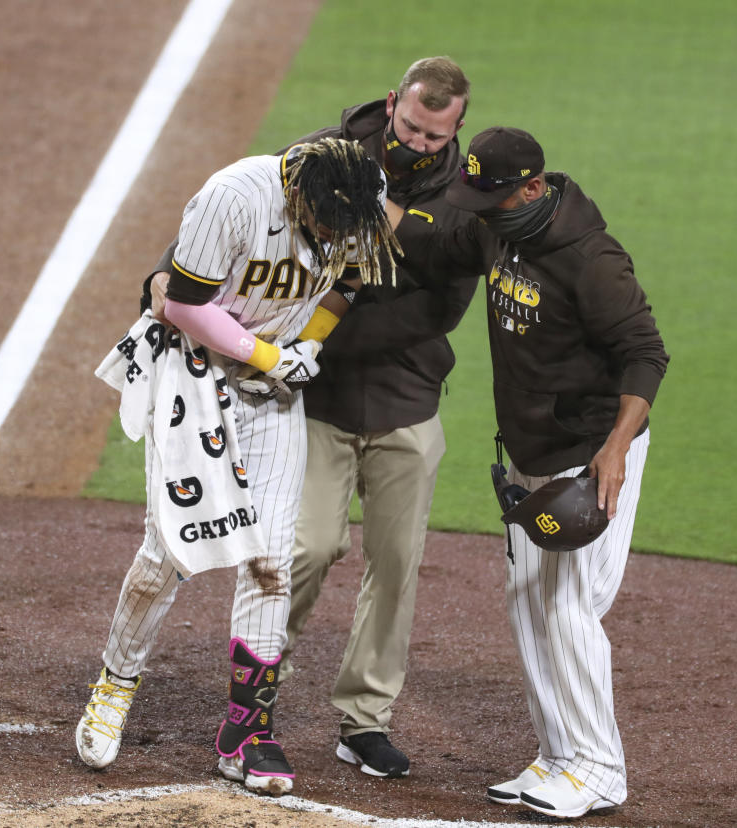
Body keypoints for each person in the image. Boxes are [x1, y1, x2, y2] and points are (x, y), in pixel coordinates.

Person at [76, 137, 398, 798]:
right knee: (165, 555)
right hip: (193, 379)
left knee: (270, 561)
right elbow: (181, 305)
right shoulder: (234, 197)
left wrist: (307, 345)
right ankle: (115, 681)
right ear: (304, 193)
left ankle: (245, 734)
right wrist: (267, 356)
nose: (336, 235)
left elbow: (348, 283)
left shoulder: (361, 205)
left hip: (273, 396)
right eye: (327, 222)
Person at [385, 126, 669, 818]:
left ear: (533, 188)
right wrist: (371, 205)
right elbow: (431, 240)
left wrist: (615, 449)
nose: (480, 211)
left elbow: (645, 354)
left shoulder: (590, 258)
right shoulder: (494, 228)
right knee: (530, 600)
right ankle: (562, 756)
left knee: (567, 607)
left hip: (589, 455)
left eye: (493, 198)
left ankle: (599, 768)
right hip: (530, 454)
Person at [280, 56, 477, 779]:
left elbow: (442, 310)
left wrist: (348, 296)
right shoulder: (322, 159)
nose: (418, 144)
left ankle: (364, 720)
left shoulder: (466, 198)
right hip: (317, 403)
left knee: (395, 565)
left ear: (457, 127)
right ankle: (256, 690)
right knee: (305, 548)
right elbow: (244, 222)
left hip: (406, 403)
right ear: (393, 103)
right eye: (410, 128)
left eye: (433, 137)